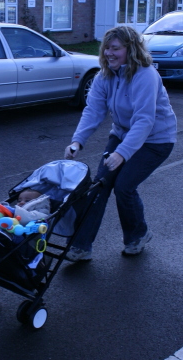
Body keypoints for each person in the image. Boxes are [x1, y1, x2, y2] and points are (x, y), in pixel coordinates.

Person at [64, 25, 177, 261]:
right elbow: (93, 110)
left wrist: (122, 153)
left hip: (156, 140)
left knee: (124, 186)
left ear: (131, 49)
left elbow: (144, 120)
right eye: (106, 48)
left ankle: (138, 236)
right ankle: (80, 246)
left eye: (115, 48)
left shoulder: (146, 75)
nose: (109, 53)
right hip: (123, 134)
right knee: (100, 186)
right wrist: (77, 141)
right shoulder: (105, 76)